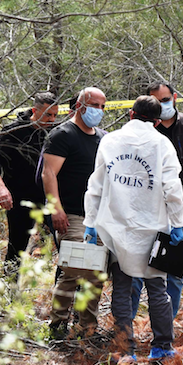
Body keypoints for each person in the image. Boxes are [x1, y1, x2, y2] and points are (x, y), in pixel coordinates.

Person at [84, 95, 183, 363]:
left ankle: (125, 350)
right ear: (156, 121)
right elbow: (173, 188)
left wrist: (90, 222)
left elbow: (96, 185)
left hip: (116, 227)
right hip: (155, 228)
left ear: (130, 114)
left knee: (122, 288)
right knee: (158, 289)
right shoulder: (162, 143)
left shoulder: (110, 140)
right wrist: (178, 223)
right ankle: (162, 347)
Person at [130, 82, 183, 320]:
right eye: (157, 101)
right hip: (144, 211)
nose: (163, 105)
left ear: (175, 97)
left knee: (173, 273)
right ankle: (128, 330)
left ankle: (167, 324)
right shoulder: (142, 131)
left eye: (166, 99)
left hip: (181, 211)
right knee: (135, 270)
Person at [42, 87, 108, 340]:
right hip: (71, 214)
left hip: (98, 217)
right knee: (73, 271)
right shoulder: (62, 134)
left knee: (95, 274)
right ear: (79, 105)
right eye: (94, 105)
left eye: (103, 106)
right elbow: (48, 174)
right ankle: (57, 326)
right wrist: (56, 209)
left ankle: (87, 327)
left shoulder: (103, 138)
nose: (98, 111)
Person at [0, 92, 59, 275]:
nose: (52, 119)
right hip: (20, 198)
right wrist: (0, 187)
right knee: (17, 249)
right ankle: (9, 291)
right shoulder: (14, 131)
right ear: (35, 110)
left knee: (64, 245)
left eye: (55, 115)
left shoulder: (56, 132)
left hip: (51, 198)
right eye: (48, 114)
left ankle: (64, 294)